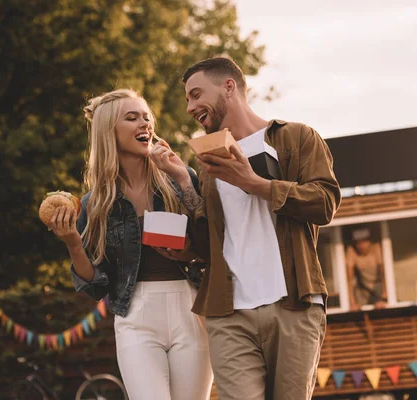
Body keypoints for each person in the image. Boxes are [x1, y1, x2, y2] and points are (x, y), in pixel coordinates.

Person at [179, 57, 342, 400]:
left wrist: (256, 184)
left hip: (293, 304)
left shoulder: (296, 137)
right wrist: (183, 184)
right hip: (229, 313)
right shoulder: (208, 162)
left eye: (196, 95)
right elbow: (212, 238)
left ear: (229, 86)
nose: (191, 107)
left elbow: (325, 203)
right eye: (188, 100)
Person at [48, 89, 213, 400]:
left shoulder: (179, 179)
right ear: (109, 131)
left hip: (191, 308)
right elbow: (96, 282)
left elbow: (211, 242)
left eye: (146, 117)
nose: (145, 124)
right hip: (135, 315)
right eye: (132, 117)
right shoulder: (95, 204)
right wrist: (72, 242)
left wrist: (183, 181)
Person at [345, 227, 387, 310]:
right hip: (362, 292)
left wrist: (384, 298)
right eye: (358, 242)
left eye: (364, 241)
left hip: (378, 288)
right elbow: (349, 279)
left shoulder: (376, 248)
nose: (361, 245)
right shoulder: (352, 251)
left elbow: (383, 273)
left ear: (369, 240)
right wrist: (352, 302)